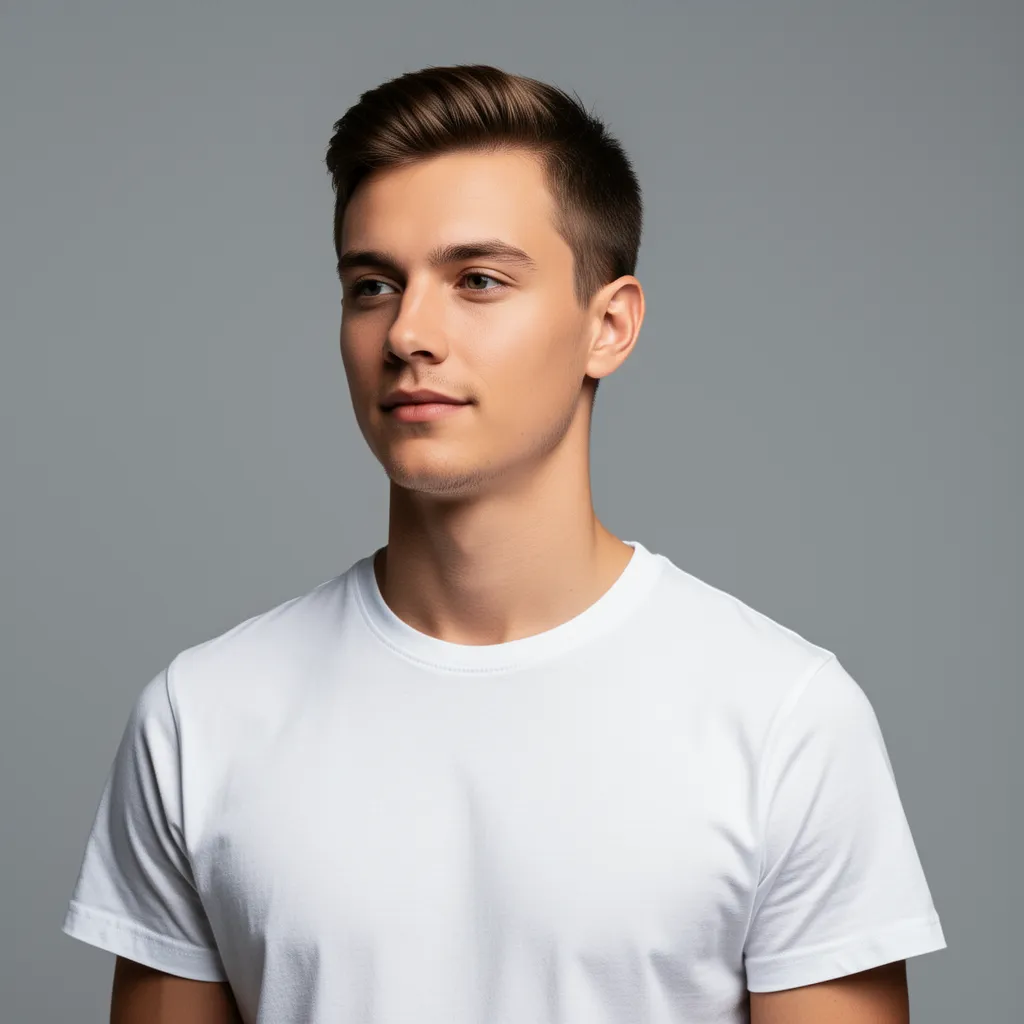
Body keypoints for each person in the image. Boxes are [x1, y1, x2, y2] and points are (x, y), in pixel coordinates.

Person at [62, 64, 946, 1023]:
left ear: (609, 325)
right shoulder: (201, 719)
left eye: (477, 280)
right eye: (372, 285)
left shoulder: (785, 720)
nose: (408, 332)